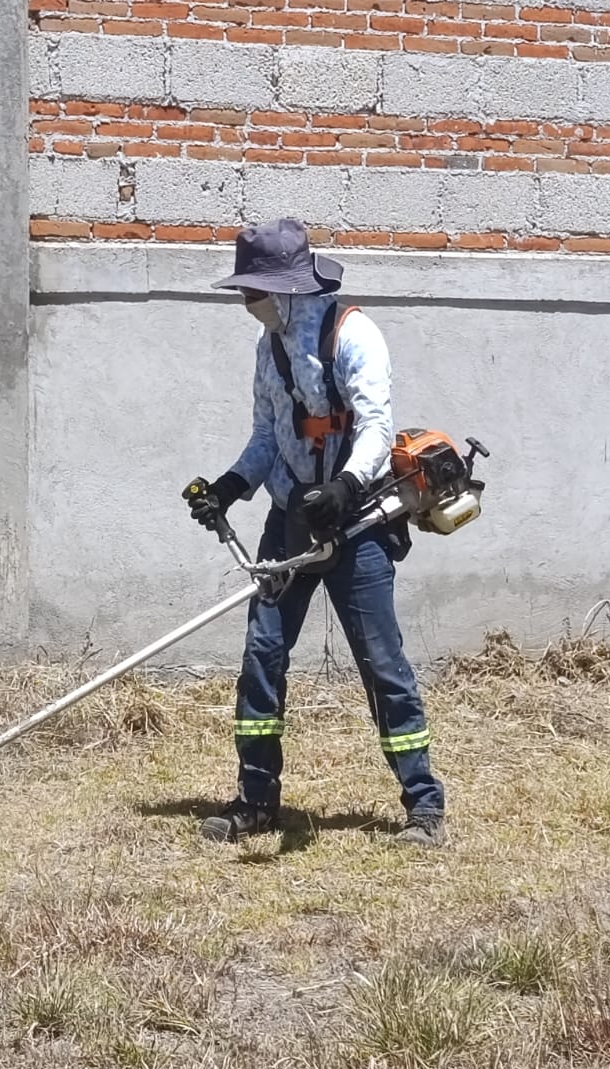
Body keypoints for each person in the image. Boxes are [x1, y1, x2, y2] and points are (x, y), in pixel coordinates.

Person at [183, 217, 447, 849]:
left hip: (357, 523)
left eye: (254, 290)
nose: (247, 301)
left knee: (381, 664)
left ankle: (423, 805)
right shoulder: (269, 347)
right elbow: (266, 435)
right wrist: (229, 487)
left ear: (287, 289)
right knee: (262, 655)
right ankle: (255, 801)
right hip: (290, 523)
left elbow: (376, 426)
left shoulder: (354, 334)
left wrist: (347, 486)